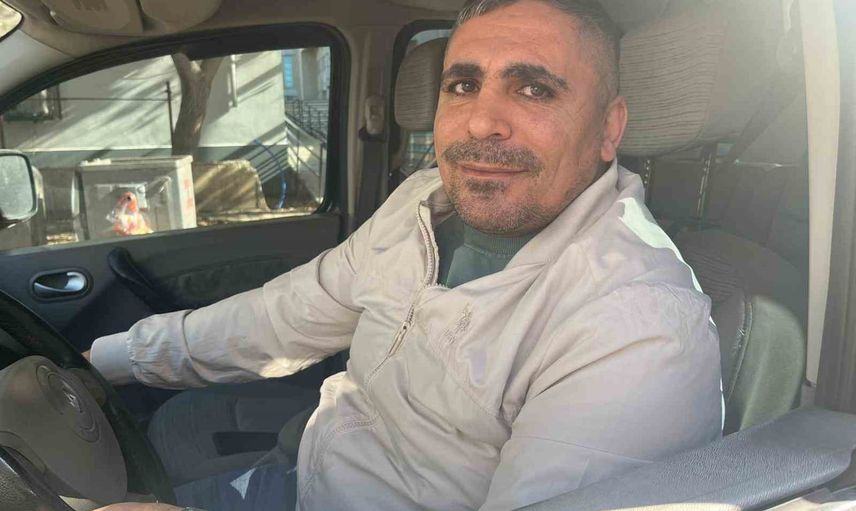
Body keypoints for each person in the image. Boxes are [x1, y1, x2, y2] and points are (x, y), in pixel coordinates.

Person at [93, 0, 723, 509]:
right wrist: (108, 361)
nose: (481, 122)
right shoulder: (422, 201)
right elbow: (280, 318)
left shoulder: (639, 325)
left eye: (533, 89)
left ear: (609, 129)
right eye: (464, 85)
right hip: (300, 475)